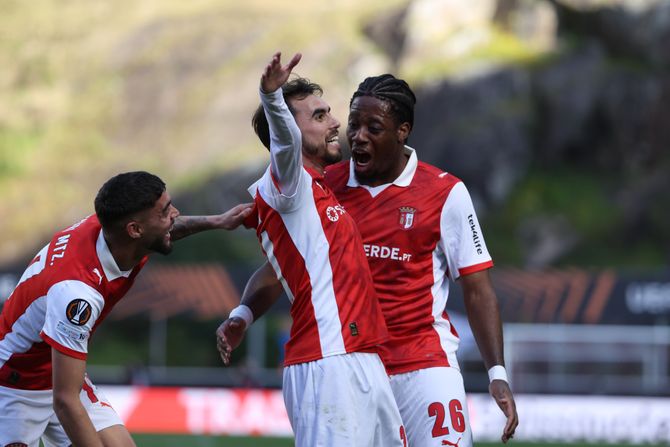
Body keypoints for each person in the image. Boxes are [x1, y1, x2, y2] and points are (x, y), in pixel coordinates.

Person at [219, 73, 519, 446]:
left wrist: (497, 372)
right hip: (352, 364)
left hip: (424, 363)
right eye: (354, 124)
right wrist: (243, 313)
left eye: (373, 128)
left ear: (402, 131)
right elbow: (283, 265)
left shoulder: (445, 192)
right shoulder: (323, 183)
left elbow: (478, 289)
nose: (358, 136)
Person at [218, 52, 405, 446]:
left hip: (362, 355)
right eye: (319, 116)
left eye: (329, 112)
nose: (336, 122)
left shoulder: (318, 191)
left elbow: (277, 271)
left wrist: (242, 314)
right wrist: (272, 97)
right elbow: (285, 144)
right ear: (286, 131)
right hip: (327, 362)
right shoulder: (289, 184)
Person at [0, 171, 252, 447]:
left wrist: (218, 221)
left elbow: (165, 230)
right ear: (135, 230)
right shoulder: (78, 293)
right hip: (13, 384)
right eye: (165, 211)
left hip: (56, 374)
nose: (175, 214)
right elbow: (66, 401)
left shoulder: (117, 234)